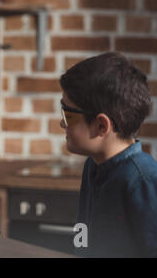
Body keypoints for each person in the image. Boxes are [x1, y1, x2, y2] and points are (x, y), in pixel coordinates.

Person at [60, 52, 157, 257]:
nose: (62, 123)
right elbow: (83, 232)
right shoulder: (92, 165)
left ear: (101, 125)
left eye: (67, 115)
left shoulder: (143, 180)